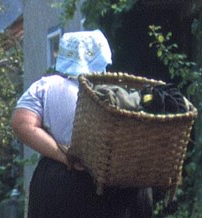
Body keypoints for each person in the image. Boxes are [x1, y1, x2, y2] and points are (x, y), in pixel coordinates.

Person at [10, 30, 151, 218]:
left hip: (61, 184)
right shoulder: (118, 93)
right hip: (118, 188)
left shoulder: (46, 86)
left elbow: (22, 123)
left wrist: (65, 155)